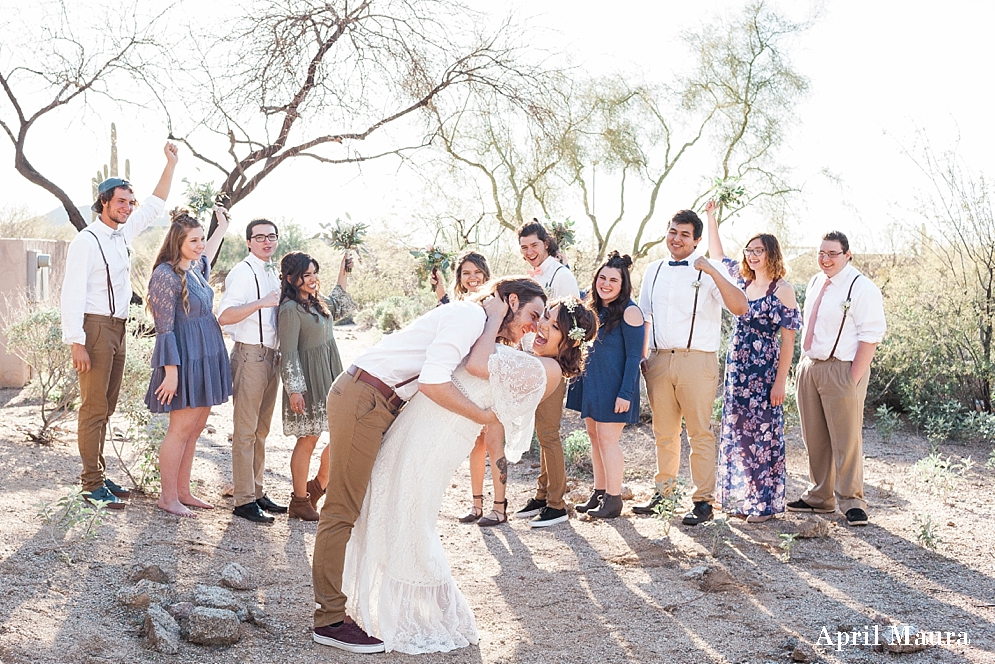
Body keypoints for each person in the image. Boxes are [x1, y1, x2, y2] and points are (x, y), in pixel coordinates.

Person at [341, 293, 597, 654]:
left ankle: (430, 615)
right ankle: (386, 608)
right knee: (388, 498)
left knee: (412, 515)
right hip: (426, 420)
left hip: (441, 434)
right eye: (544, 318)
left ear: (570, 341)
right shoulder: (533, 359)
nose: (541, 327)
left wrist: (493, 317)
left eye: (553, 326)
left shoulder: (548, 370)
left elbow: (478, 365)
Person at [312, 277, 547, 654]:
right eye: (533, 315)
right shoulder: (469, 317)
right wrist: (483, 416)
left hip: (378, 401)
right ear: (511, 300)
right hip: (365, 396)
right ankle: (329, 620)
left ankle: (340, 607)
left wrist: (501, 324)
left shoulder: (480, 323)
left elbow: (479, 363)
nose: (535, 325)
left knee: (359, 501)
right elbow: (434, 382)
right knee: (342, 507)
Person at [61, 142, 179, 509]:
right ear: (104, 204)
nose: (128, 207)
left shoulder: (122, 235)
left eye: (131, 202)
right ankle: (90, 483)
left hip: (118, 328)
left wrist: (170, 164)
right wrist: (75, 341)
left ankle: (98, 472)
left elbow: (156, 205)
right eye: (121, 202)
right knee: (93, 407)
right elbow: (71, 293)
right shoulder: (87, 240)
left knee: (106, 406)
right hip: (94, 330)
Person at [635, 209, 749, 525]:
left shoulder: (708, 271)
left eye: (685, 234)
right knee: (664, 433)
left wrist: (713, 270)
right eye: (673, 231)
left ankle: (703, 501)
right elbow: (644, 316)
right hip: (659, 359)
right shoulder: (654, 270)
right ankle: (665, 496)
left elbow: (740, 307)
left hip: (697, 361)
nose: (677, 238)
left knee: (699, 432)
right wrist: (642, 358)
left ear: (697, 240)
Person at [705, 201, 801, 523]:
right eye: (748, 250)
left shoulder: (782, 290)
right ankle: (743, 498)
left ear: (771, 254)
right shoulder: (743, 282)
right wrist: (711, 217)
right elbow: (717, 256)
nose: (751, 255)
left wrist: (780, 381)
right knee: (740, 432)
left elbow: (788, 340)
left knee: (762, 435)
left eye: (758, 250)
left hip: (764, 370)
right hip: (738, 369)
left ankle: (763, 504)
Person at [788, 231, 886, 526]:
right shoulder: (818, 282)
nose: (825, 259)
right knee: (814, 436)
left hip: (842, 368)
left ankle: (852, 501)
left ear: (847, 254)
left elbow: (871, 337)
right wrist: (804, 363)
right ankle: (820, 497)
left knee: (846, 438)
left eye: (832, 254)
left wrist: (852, 378)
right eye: (821, 253)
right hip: (811, 366)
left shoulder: (862, 288)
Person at [144, 207, 232, 517]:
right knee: (180, 430)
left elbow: (207, 253)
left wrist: (221, 227)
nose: (199, 246)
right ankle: (168, 497)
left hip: (207, 354)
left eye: (201, 240)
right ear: (177, 241)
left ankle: (183, 491)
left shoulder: (195, 269)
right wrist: (171, 373)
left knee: (195, 430)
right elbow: (164, 327)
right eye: (193, 240)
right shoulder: (165, 276)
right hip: (184, 359)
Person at [277, 250, 357, 521]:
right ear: (291, 278)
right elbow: (288, 352)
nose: (312, 279)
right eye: (305, 275)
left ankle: (318, 485)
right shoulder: (289, 310)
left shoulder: (318, 302)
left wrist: (343, 270)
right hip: (308, 382)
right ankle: (300, 500)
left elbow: (340, 303)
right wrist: (294, 389)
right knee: (308, 440)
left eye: (314, 273)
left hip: (331, 376)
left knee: (342, 434)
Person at [427, 250, 505, 524]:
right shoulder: (459, 305)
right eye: (466, 273)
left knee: (495, 443)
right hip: (469, 381)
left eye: (477, 272)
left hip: (491, 377)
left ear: (485, 274)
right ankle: (476, 506)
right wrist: (440, 295)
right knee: (475, 443)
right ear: (459, 278)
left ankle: (500, 507)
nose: (473, 278)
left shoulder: (497, 302)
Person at [217, 219, 285, 524]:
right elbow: (224, 316)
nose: (266, 242)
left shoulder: (272, 271)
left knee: (261, 431)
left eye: (271, 237)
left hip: (273, 358)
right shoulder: (242, 272)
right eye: (260, 237)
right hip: (250, 356)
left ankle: (257, 491)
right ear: (248, 242)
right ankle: (243, 500)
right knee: (245, 432)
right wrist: (261, 302)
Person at [515, 219, 581, 528]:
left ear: (547, 244)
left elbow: (571, 322)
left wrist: (555, 360)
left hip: (552, 363)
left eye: (534, 246)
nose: (529, 252)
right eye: (524, 247)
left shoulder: (561, 276)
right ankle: (542, 495)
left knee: (550, 434)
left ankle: (556, 503)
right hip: (533, 360)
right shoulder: (535, 275)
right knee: (542, 432)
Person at [567, 251, 644, 519]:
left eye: (614, 279)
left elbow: (635, 356)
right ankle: (599, 492)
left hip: (616, 387)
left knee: (609, 441)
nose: (606, 284)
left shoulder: (631, 311)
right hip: (592, 381)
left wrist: (626, 393)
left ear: (623, 285)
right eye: (602, 277)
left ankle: (614, 499)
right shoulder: (592, 308)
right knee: (594, 438)